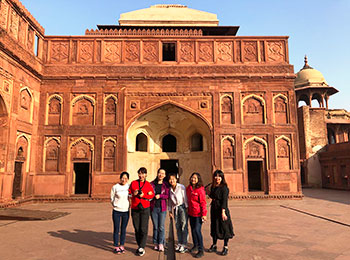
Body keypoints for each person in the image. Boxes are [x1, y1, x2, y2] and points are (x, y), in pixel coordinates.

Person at [129, 167, 155, 256]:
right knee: (137, 228)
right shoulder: (133, 183)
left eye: (143, 173)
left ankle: (141, 247)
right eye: (140, 173)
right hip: (135, 207)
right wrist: (133, 194)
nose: (141, 175)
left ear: (146, 174)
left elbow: (152, 196)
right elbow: (128, 194)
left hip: (145, 207)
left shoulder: (148, 184)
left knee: (143, 228)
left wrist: (144, 196)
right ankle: (139, 244)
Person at [208, 169, 234, 256]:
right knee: (214, 226)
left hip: (222, 209)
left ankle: (225, 246)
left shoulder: (224, 188)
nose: (217, 178)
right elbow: (212, 196)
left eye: (219, 176)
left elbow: (224, 201)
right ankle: (214, 244)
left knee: (224, 227)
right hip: (214, 209)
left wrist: (223, 211)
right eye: (216, 176)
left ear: (222, 177)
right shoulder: (214, 187)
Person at [186, 172, 207, 258]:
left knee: (197, 230)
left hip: (198, 214)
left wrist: (204, 214)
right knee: (193, 230)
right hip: (191, 213)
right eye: (192, 178)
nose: (193, 179)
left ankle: (201, 249)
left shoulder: (200, 190)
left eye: (195, 178)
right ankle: (195, 245)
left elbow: (203, 203)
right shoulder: (189, 188)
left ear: (198, 180)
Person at [168, 172, 189, 254]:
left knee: (184, 225)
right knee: (177, 225)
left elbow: (185, 197)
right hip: (175, 208)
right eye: (170, 179)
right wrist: (170, 211)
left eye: (173, 179)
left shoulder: (181, 187)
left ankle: (184, 244)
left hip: (182, 207)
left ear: (176, 179)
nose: (171, 180)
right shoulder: (169, 189)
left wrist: (186, 208)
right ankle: (180, 243)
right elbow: (169, 201)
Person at [110, 171, 130, 254]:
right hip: (117, 211)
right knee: (116, 229)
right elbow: (112, 197)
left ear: (128, 179)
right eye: (123, 178)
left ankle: (122, 245)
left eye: (126, 178)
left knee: (123, 229)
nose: (124, 180)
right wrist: (115, 205)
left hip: (126, 211)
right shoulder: (115, 187)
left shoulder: (129, 187)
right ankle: (116, 246)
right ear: (120, 178)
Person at [150, 168, 169, 252]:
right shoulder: (152, 184)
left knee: (161, 226)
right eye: (159, 173)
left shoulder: (166, 185)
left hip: (162, 208)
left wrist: (160, 196)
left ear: (164, 175)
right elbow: (148, 193)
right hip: (153, 207)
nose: (161, 175)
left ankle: (161, 243)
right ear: (157, 174)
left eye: (163, 173)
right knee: (155, 226)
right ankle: (155, 243)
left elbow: (167, 195)